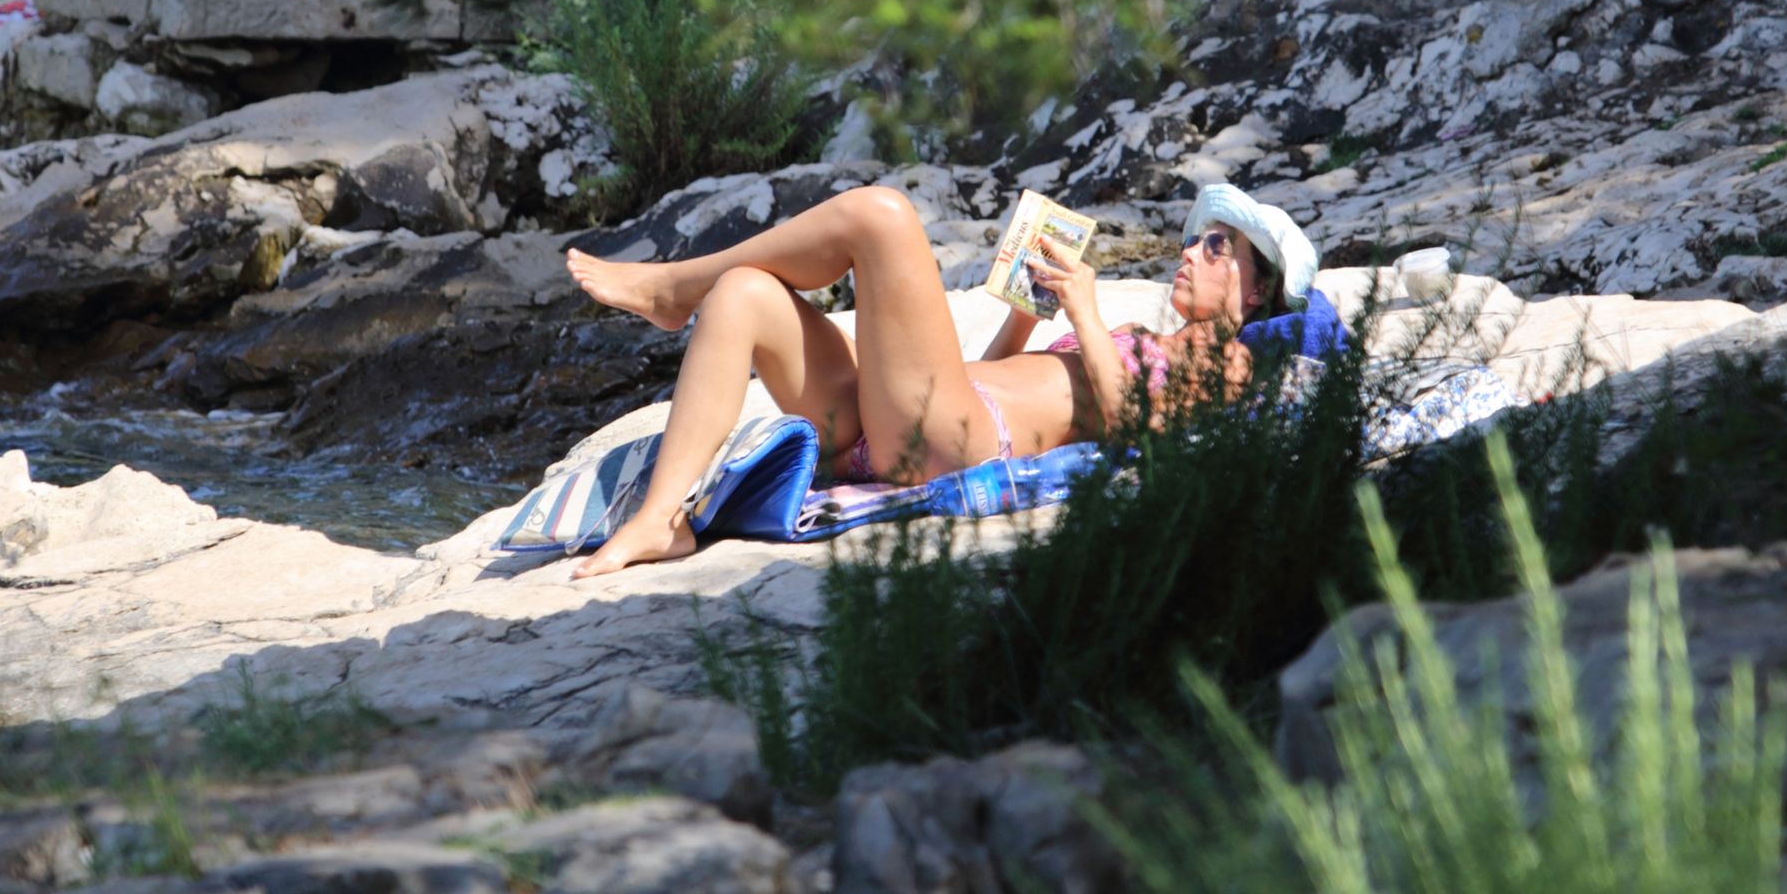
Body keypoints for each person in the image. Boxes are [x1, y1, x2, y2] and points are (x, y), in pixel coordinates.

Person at [557, 177, 1333, 577]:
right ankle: (662, 520)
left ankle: (672, 290)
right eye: (1195, 240)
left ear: (1258, 290)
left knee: (883, 216)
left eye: (1218, 247)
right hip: (908, 419)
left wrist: (1085, 312)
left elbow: (1141, 428)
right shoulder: (1138, 337)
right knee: (745, 294)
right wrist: (1026, 316)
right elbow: (998, 377)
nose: (1191, 252)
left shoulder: (1229, 361)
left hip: (954, 439)